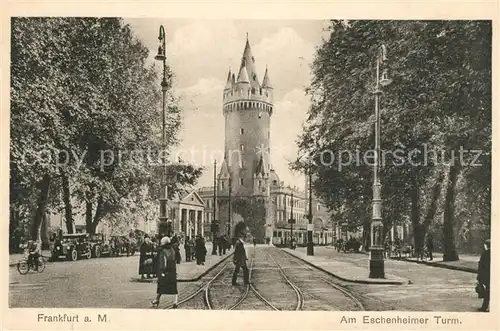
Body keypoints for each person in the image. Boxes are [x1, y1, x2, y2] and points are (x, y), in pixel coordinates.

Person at [151, 237, 178, 308]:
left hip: (165, 271)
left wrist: (162, 271)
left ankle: (157, 300)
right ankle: (175, 301)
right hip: (172, 271)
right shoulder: (172, 249)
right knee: (173, 287)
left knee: (161, 286)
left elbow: (163, 262)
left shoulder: (162, 251)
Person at [477, 239, 490, 312]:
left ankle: (484, 307)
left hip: (486, 275)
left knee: (487, 291)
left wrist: (479, 278)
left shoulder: (485, 253)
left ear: (486, 245)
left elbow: (481, 266)